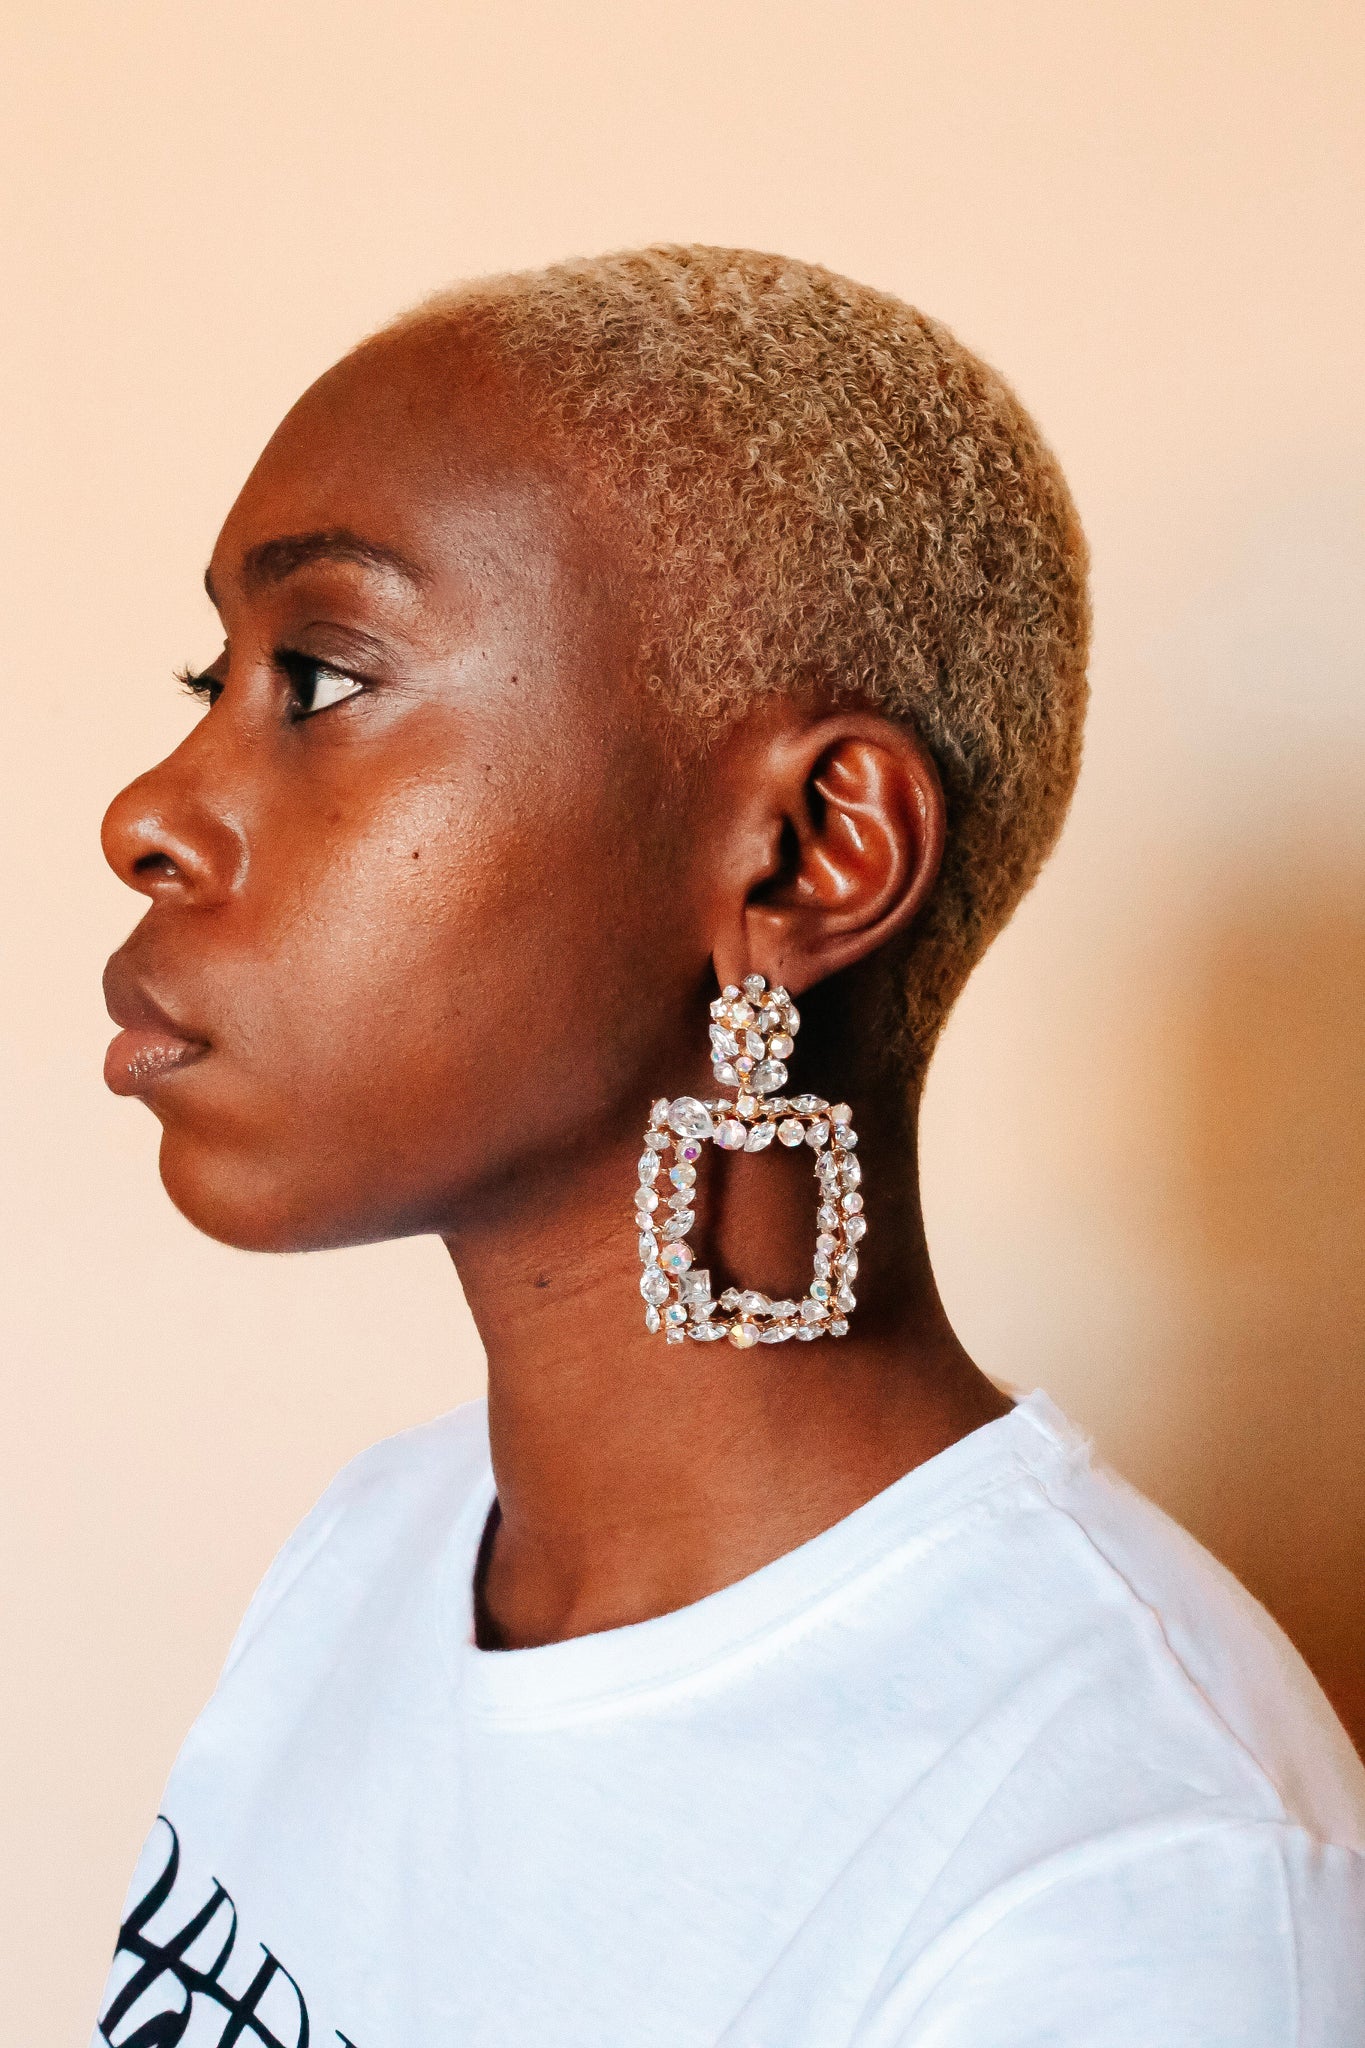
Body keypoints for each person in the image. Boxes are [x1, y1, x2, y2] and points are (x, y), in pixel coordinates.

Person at [94, 245, 1364, 2047]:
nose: (147, 813)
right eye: (205, 677)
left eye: (316, 678)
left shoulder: (1134, 1887)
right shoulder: (378, 1546)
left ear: (808, 854)